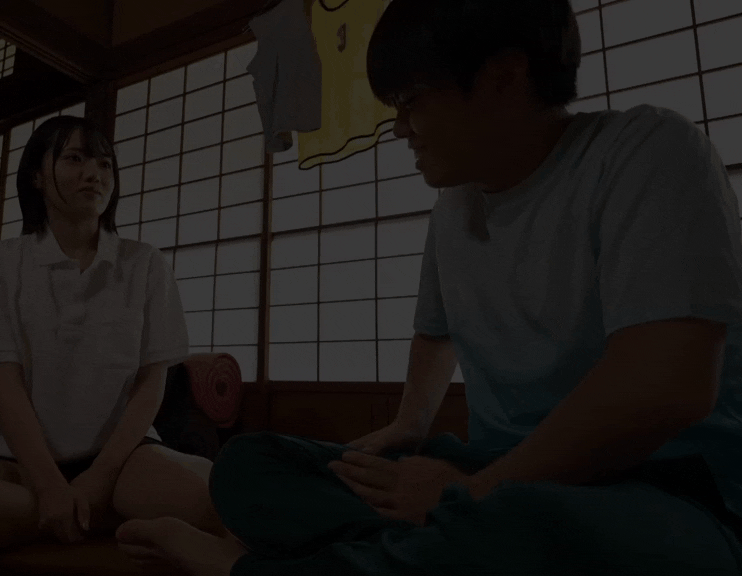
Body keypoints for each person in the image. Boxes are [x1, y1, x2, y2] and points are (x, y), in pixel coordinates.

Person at [113, 0, 742, 574]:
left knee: (521, 530)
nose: (400, 129)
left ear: (505, 77)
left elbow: (668, 386)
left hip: (664, 487)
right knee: (251, 466)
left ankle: (247, 568)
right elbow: (435, 332)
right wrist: (408, 426)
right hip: (492, 467)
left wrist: (475, 492)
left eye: (411, 100)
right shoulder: (455, 207)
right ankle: (409, 549)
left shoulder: (647, 150)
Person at [0, 116, 241, 560]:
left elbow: (152, 382)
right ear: (36, 176)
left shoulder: (144, 263)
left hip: (125, 461)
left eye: (105, 164)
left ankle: (58, 514)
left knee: (217, 498)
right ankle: (93, 516)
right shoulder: (0, 263)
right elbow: (5, 384)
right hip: (17, 462)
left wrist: (101, 477)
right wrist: (49, 485)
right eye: (74, 159)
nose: (95, 174)